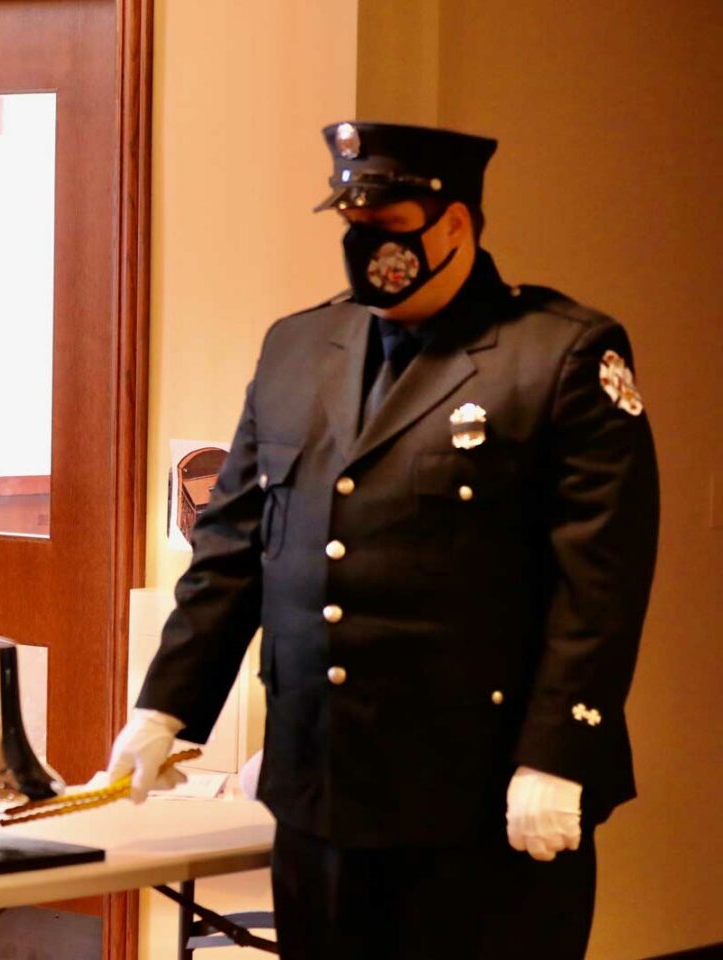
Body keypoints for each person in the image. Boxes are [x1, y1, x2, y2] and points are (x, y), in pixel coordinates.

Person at [105, 122, 659, 959]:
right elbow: (231, 547)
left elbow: (602, 581)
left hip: (483, 793)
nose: (370, 249)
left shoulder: (560, 354)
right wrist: (167, 704)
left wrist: (558, 755)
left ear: (458, 227)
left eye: (393, 228)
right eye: (353, 227)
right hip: (322, 788)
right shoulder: (297, 347)